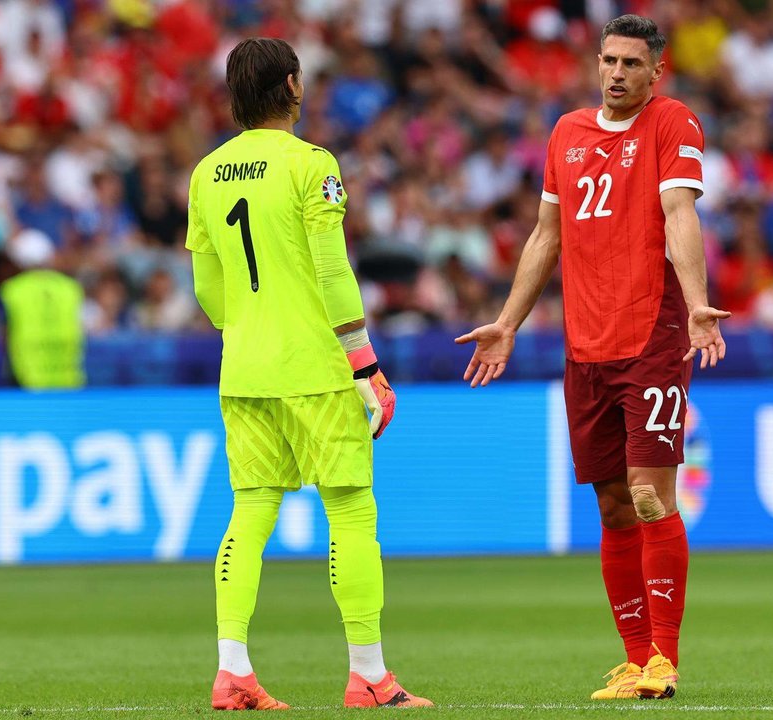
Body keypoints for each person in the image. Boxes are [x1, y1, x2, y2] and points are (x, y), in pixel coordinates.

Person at [456, 15, 729, 701]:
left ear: (655, 72)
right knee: (611, 506)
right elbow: (546, 235)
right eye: (608, 60)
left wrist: (697, 302)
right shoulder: (567, 133)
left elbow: (678, 213)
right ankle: (635, 662)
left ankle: (664, 660)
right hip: (586, 347)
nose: (615, 73)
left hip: (652, 340)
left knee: (648, 494)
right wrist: (508, 323)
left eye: (631, 64)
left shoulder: (673, 124)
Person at [185, 38, 431, 710]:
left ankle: (232, 670)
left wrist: (252, 330)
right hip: (316, 368)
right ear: (292, 86)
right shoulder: (312, 164)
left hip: (244, 369)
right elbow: (332, 273)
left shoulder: (207, 172)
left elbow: (207, 286)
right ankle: (371, 677)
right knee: (350, 511)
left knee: (249, 513)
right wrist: (367, 367)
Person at [0, 228, 85, 389]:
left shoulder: (12, 290)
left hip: (27, 378)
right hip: (69, 379)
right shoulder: (70, 288)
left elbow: (4, 334)